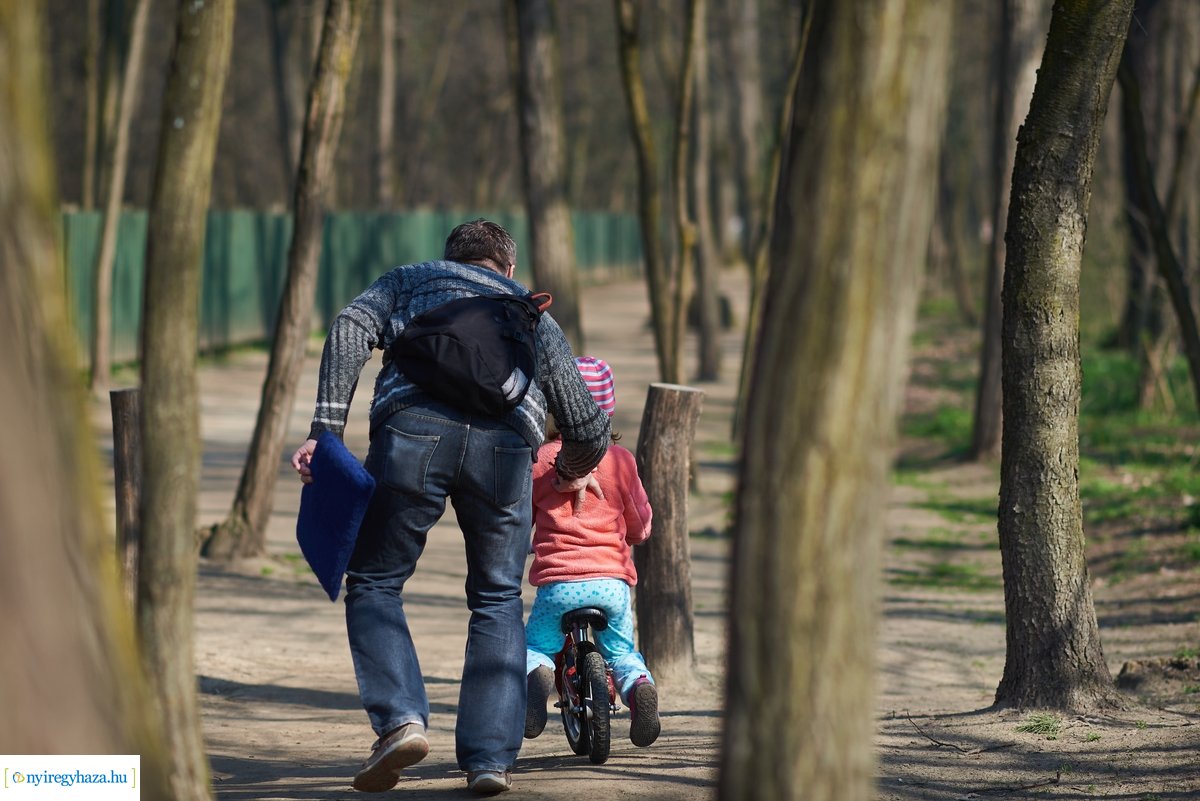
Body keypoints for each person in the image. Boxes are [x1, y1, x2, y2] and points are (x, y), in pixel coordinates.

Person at [290, 219, 610, 795]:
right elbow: (589, 426)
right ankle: (489, 759)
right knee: (496, 597)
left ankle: (401, 722)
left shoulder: (412, 281)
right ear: (507, 268)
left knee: (375, 580)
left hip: (411, 434)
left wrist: (325, 431)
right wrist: (565, 472)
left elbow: (347, 327)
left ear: (453, 260)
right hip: (508, 451)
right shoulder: (533, 314)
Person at [523, 356, 661, 748]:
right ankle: (638, 691)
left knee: (535, 646)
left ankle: (538, 680)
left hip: (558, 585)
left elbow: (521, 521)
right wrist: (635, 533)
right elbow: (640, 523)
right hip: (611, 585)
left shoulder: (541, 462)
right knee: (622, 653)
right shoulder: (620, 462)